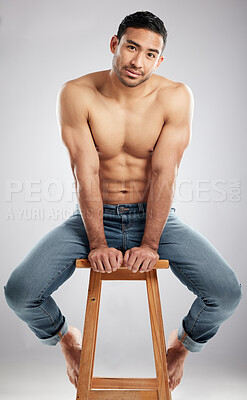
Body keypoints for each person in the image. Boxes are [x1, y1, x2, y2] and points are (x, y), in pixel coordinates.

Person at [4, 10, 242, 392]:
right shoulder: (77, 94)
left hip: (156, 219)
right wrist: (97, 241)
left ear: (160, 60)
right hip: (93, 218)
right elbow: (87, 173)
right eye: (132, 47)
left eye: (150, 54)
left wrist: (150, 242)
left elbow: (165, 174)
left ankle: (179, 346)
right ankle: (67, 339)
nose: (138, 61)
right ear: (115, 45)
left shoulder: (175, 97)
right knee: (19, 292)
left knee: (226, 293)